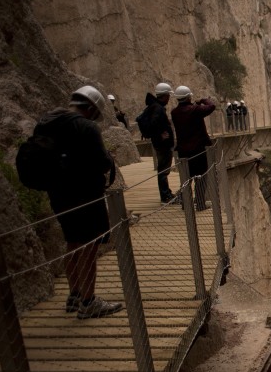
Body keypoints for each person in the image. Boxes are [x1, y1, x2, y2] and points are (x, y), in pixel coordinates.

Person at [32, 86, 123, 318]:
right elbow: (102, 163)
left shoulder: (47, 123)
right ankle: (88, 301)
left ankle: (74, 295)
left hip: (58, 194)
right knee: (89, 248)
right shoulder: (86, 127)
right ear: (91, 109)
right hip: (85, 196)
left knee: (72, 242)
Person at [171, 85, 215, 211]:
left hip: (183, 152)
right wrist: (203, 101)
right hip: (198, 150)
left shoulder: (174, 113)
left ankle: (186, 204)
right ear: (188, 97)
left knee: (186, 178)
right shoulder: (195, 110)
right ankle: (200, 204)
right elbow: (211, 106)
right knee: (201, 178)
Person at [142, 83, 177, 203]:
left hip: (161, 144)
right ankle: (165, 195)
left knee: (163, 170)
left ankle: (166, 193)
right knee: (163, 171)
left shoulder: (154, 106)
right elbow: (154, 124)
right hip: (163, 145)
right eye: (168, 95)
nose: (169, 98)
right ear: (165, 95)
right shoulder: (158, 108)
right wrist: (160, 135)